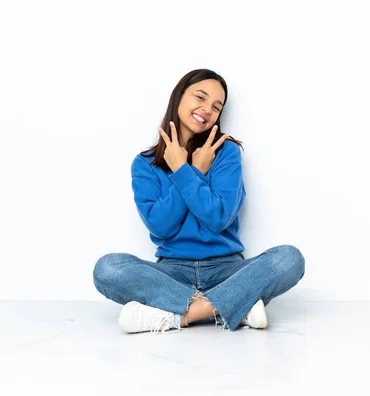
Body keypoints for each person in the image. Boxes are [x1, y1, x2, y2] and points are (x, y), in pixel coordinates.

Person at [93, 69, 305, 334]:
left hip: (227, 269)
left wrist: (184, 171)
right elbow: (161, 226)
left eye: (216, 107)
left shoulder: (225, 152)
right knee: (108, 268)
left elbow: (217, 218)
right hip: (172, 273)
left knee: (288, 259)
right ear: (179, 97)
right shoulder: (145, 164)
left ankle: (177, 316)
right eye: (200, 98)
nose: (207, 110)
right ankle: (234, 305)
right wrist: (191, 170)